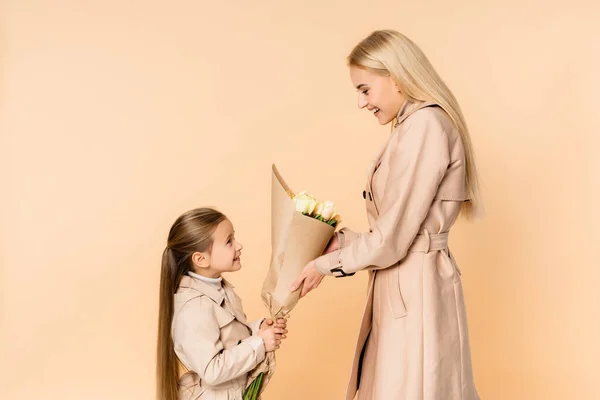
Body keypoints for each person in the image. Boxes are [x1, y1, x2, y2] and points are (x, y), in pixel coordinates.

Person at [290, 30, 481, 400]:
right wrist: (336, 242)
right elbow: (399, 233)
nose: (362, 103)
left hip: (414, 287)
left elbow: (393, 241)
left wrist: (325, 265)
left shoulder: (424, 126)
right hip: (407, 283)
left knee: (415, 388)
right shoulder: (412, 127)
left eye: (365, 89)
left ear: (395, 77)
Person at [156, 207, 288, 400]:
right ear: (201, 259)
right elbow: (212, 370)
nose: (239, 245)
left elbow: (225, 340)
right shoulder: (194, 308)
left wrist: (257, 330)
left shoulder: (220, 288)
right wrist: (260, 343)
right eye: (229, 241)